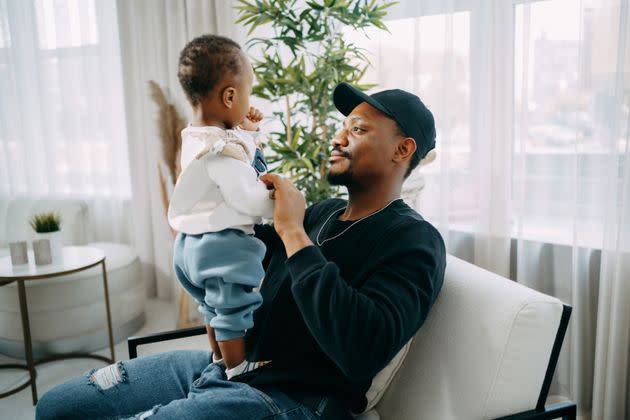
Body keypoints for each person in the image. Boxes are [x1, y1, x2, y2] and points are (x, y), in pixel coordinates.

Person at [35, 78, 446, 419]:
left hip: (292, 400)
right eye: (342, 127)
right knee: (58, 407)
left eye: (357, 130)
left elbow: (363, 348)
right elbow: (236, 261)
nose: (337, 138)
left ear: (402, 149)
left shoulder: (413, 240)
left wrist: (291, 231)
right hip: (229, 369)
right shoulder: (321, 213)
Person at [167, 34, 274, 379]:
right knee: (231, 308)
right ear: (230, 95)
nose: (248, 100)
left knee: (210, 308)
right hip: (222, 245)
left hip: (189, 246)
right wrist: (276, 203)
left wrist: (249, 132)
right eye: (247, 91)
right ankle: (237, 368)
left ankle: (217, 357)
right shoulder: (222, 151)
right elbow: (246, 194)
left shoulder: (197, 138)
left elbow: (230, 161)